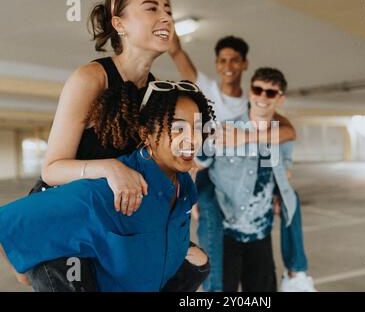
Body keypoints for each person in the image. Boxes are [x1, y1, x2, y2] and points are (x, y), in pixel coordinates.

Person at [18, 0, 207, 292]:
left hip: (109, 217)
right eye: (152, 8)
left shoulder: (156, 92)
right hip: (64, 218)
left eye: (168, 9)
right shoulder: (92, 78)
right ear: (120, 23)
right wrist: (110, 169)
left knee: (196, 261)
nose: (166, 17)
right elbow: (51, 169)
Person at [0, 82, 214, 292]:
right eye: (177, 128)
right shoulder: (107, 192)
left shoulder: (184, 187)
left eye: (196, 128)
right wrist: (24, 269)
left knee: (201, 265)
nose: (192, 139)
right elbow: (6, 222)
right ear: (145, 133)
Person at [170, 35, 316, 291]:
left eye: (270, 93)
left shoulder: (278, 132)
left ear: (279, 98)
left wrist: (279, 191)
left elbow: (285, 159)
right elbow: (199, 163)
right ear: (251, 92)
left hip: (260, 231)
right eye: (258, 90)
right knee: (218, 288)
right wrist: (191, 197)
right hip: (226, 227)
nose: (263, 97)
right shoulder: (221, 118)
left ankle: (297, 273)